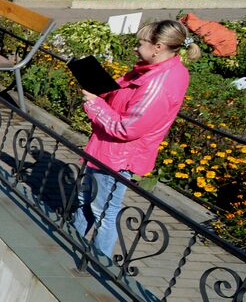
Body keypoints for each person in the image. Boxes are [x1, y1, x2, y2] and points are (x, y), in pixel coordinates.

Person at [73, 20, 199, 263]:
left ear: (158, 47)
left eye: (140, 43)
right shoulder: (152, 70)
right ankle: (70, 241)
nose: (135, 48)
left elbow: (127, 129)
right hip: (106, 148)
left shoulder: (158, 84)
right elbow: (125, 97)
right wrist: (99, 87)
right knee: (85, 201)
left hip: (118, 155)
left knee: (102, 213)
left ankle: (99, 265)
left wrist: (94, 103)